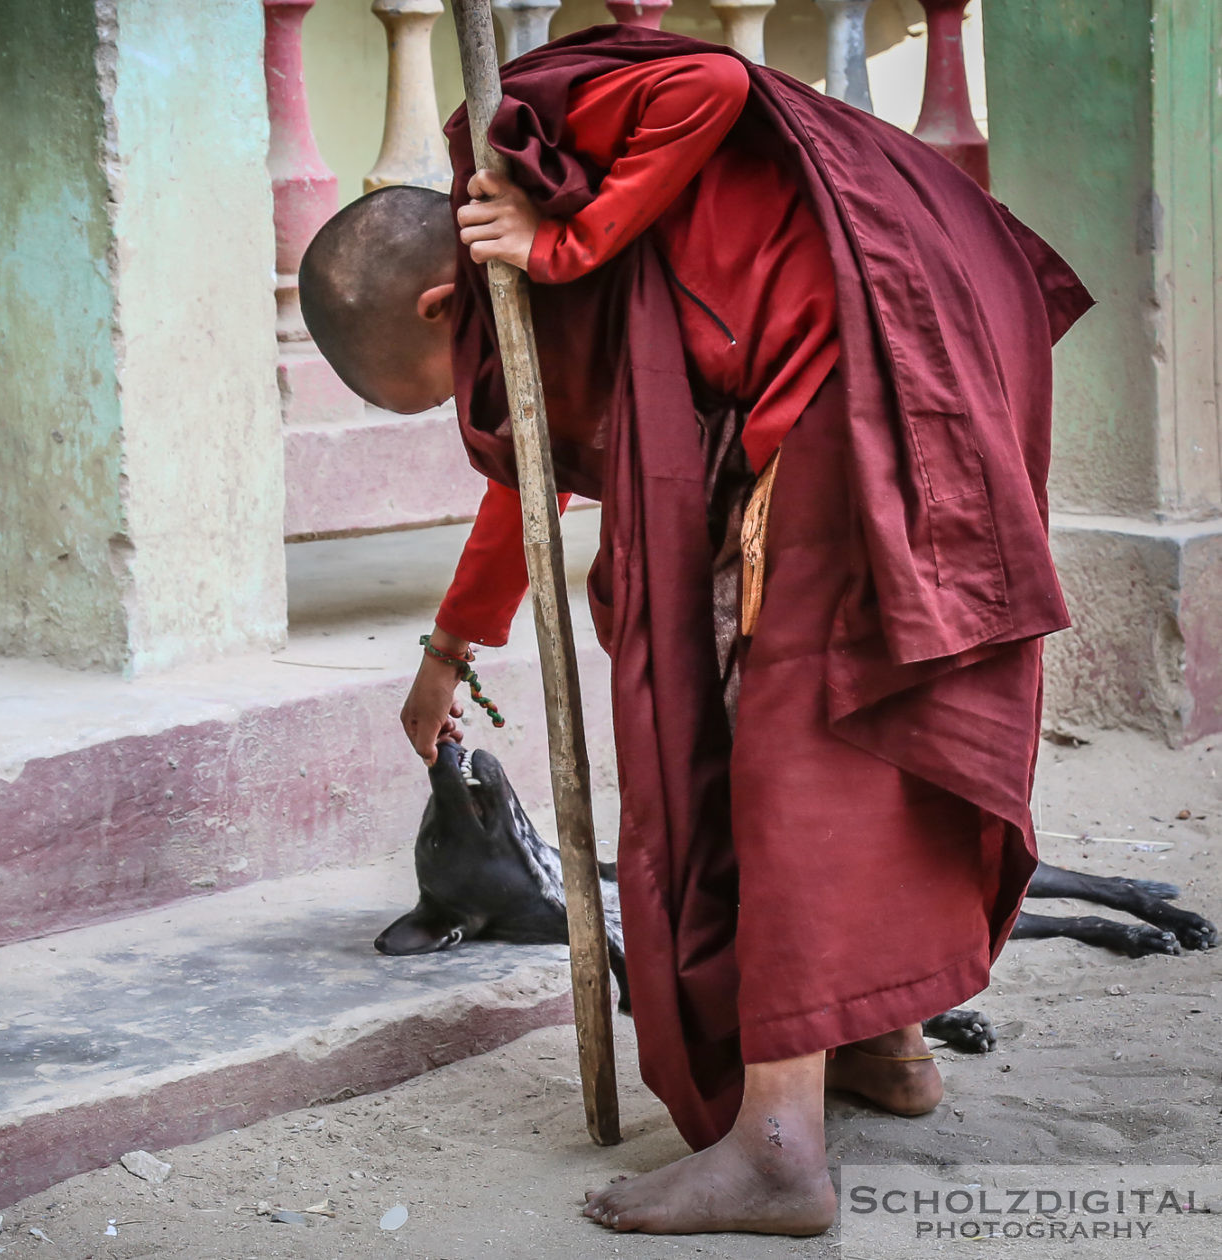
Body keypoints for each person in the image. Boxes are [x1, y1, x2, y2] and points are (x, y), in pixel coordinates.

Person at [299, 25, 1090, 1237]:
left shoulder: (532, 158)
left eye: (445, 378)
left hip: (865, 361)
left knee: (793, 734)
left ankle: (778, 1142)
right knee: (841, 706)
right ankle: (883, 1042)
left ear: (440, 300)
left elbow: (712, 77)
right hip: (900, 339)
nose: (473, 410)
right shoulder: (512, 278)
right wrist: (450, 648)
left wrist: (565, 235)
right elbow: (537, 463)